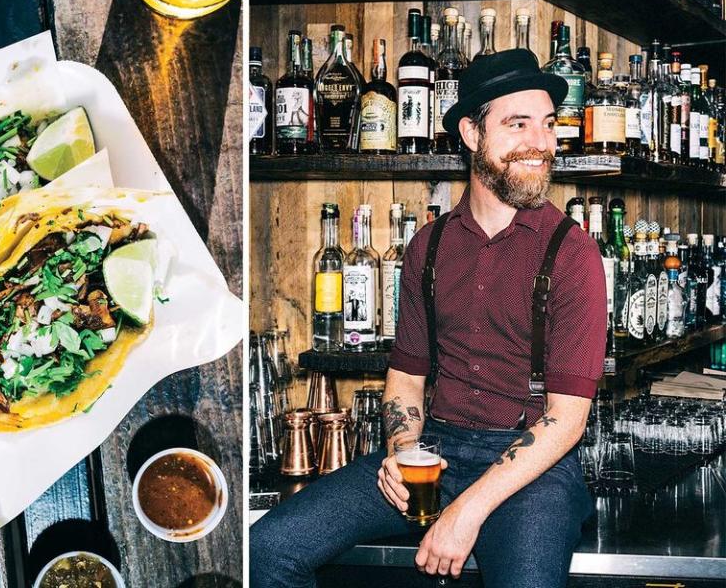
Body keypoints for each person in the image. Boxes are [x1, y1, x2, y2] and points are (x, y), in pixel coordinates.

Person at [250, 49, 607, 588]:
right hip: (433, 449)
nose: (542, 143)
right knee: (265, 550)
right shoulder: (429, 246)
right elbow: (407, 378)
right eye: (517, 125)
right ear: (470, 133)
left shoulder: (573, 252)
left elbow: (567, 419)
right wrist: (401, 453)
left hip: (532, 467)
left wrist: (465, 511)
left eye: (548, 124)